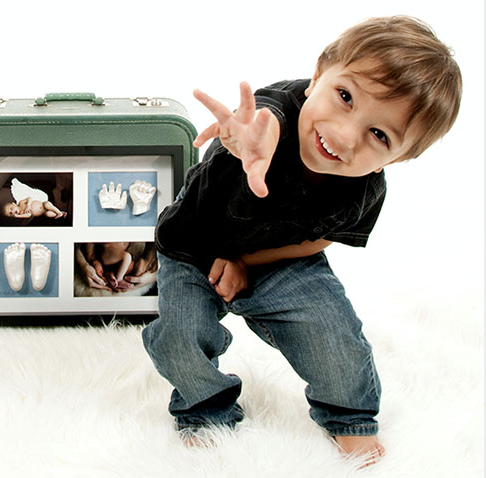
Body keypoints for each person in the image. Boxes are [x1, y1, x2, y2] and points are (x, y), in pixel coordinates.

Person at [141, 16, 462, 466]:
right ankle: (206, 408)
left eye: (379, 135)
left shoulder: (366, 189)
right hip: (195, 244)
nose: (344, 135)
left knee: (337, 339)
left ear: (400, 157)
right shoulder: (271, 118)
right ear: (318, 75)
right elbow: (267, 119)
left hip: (275, 257)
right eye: (345, 96)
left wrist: (246, 261)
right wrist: (253, 140)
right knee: (180, 336)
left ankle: (349, 415)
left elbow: (317, 242)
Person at [2, 178, 67, 220]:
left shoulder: (21, 202)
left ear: (13, 204)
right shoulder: (22, 213)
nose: (12, 212)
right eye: (10, 214)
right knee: (48, 214)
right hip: (43, 212)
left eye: (11, 209)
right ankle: (61, 213)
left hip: (43, 204)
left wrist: (28, 205)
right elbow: (29, 215)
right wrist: (18, 216)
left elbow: (30, 198)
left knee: (47, 204)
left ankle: (58, 212)